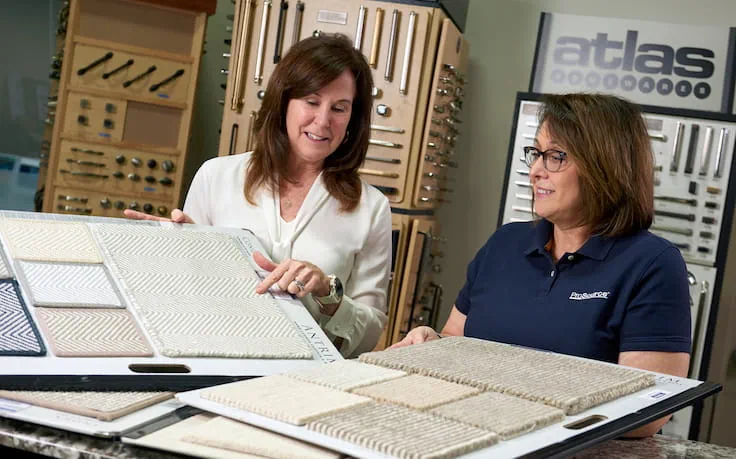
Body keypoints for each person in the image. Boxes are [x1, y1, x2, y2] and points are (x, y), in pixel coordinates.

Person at [393, 93, 691, 437]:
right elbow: (455, 341)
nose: (535, 171)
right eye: (536, 154)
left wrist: (505, 392)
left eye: (555, 157)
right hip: (469, 437)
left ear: (605, 166)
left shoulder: (652, 264)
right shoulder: (504, 244)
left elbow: (645, 414)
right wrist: (431, 344)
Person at [125, 34, 391, 358]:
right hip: (213, 360)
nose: (323, 121)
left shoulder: (372, 209)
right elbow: (179, 296)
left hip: (307, 383)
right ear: (283, 103)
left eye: (339, 108)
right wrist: (180, 250)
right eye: (311, 101)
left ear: (353, 120)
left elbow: (370, 335)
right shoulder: (216, 177)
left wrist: (327, 292)